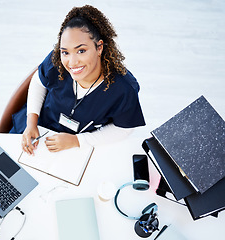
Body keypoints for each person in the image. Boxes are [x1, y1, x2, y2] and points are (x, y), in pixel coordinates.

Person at [10, 5, 145, 155]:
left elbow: (123, 128)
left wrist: (78, 141)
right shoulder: (57, 60)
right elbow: (38, 82)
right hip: (36, 133)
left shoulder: (123, 88)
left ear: (99, 47)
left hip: (77, 149)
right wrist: (31, 123)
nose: (72, 62)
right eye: (65, 52)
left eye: (81, 51)